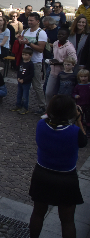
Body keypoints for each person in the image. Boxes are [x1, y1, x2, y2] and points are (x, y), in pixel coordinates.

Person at [28, 95, 87, 238]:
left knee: (38, 213)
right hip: (66, 177)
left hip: (42, 173)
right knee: (67, 221)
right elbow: (84, 142)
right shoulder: (74, 132)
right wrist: (79, 120)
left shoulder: (41, 125)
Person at [18, 13, 48, 114]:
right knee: (23, 84)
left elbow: (40, 49)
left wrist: (29, 43)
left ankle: (43, 106)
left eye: (32, 20)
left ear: (37, 21)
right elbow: (20, 40)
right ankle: (22, 104)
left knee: (37, 85)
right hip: (25, 61)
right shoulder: (25, 31)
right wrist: (20, 40)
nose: (29, 22)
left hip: (36, 62)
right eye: (29, 20)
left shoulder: (41, 33)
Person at [45, 28, 77, 102]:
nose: (60, 36)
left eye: (63, 34)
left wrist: (59, 63)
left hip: (64, 74)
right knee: (48, 93)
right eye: (59, 34)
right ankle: (49, 109)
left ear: (67, 36)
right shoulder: (56, 43)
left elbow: (74, 61)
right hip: (53, 71)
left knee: (61, 95)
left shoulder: (69, 48)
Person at [13, 48, 35, 114]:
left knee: (25, 96)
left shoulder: (30, 64)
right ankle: (18, 105)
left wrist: (24, 80)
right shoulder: (21, 62)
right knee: (19, 94)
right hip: (20, 81)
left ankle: (25, 108)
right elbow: (19, 71)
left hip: (26, 82)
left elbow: (31, 74)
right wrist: (18, 78)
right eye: (23, 54)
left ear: (30, 55)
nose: (24, 56)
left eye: (26, 55)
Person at [73, 69, 90, 136]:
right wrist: (76, 96)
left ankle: (88, 130)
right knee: (80, 117)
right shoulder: (78, 86)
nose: (83, 78)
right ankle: (80, 129)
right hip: (80, 104)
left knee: (88, 117)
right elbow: (74, 93)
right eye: (82, 76)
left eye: (85, 76)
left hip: (88, 104)